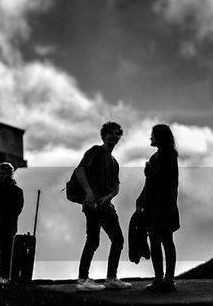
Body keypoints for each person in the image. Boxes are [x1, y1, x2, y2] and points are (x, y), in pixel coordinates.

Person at [74, 121, 131, 291]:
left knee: (117, 240)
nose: (114, 135)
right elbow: (80, 170)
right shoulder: (96, 152)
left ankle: (111, 278)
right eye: (111, 133)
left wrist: (110, 196)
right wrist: (89, 192)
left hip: (105, 206)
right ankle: (83, 280)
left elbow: (116, 185)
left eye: (117, 133)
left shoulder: (114, 162)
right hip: (92, 204)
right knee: (93, 240)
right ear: (104, 135)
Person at [136, 123, 180, 292]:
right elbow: (150, 185)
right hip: (155, 206)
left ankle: (167, 280)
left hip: (164, 205)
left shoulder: (167, 156)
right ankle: (160, 279)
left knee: (165, 241)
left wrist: (148, 169)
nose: (150, 138)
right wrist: (140, 199)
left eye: (152, 135)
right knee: (156, 241)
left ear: (159, 137)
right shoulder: (158, 157)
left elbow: (160, 179)